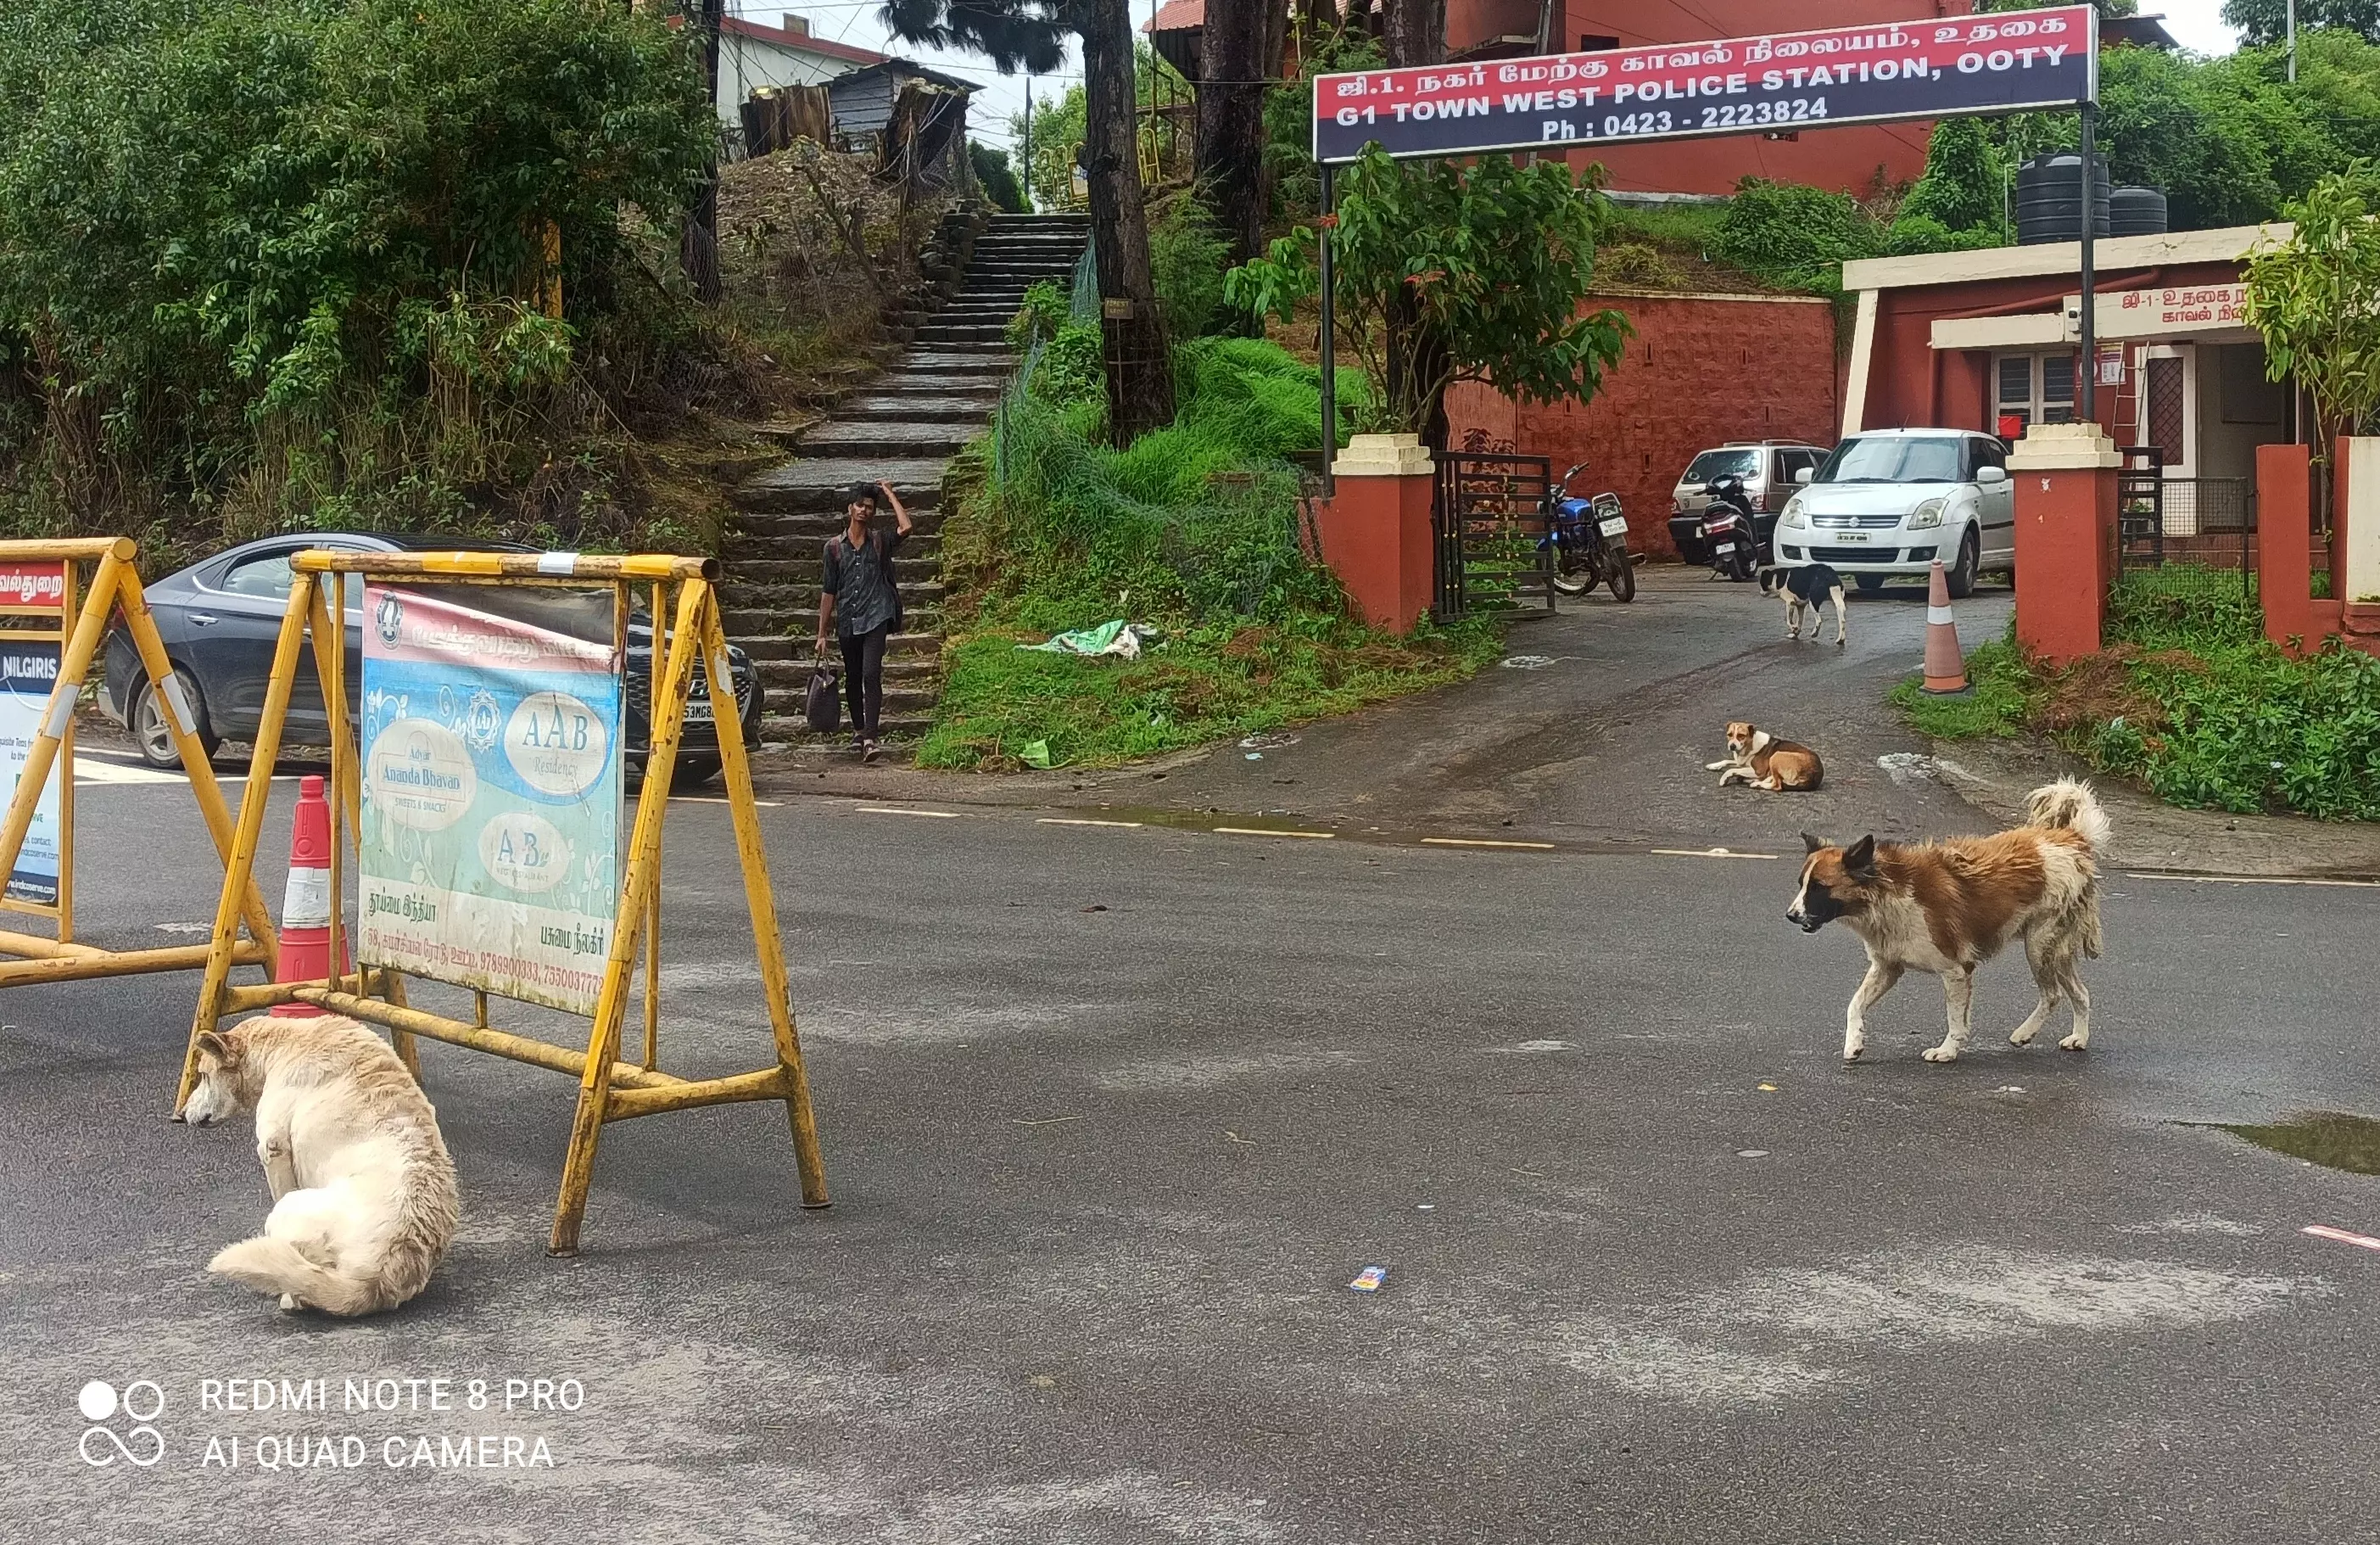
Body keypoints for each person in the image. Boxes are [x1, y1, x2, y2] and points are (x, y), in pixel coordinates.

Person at [816, 479, 912, 761]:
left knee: (871, 673)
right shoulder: (833, 548)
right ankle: (859, 731)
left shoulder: (880, 541)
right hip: (848, 618)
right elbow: (829, 591)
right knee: (854, 676)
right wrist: (822, 632)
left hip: (877, 615)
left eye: (869, 507)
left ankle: (871, 736)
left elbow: (905, 527)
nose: (864, 510)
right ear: (850, 509)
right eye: (860, 505)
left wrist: (890, 494)